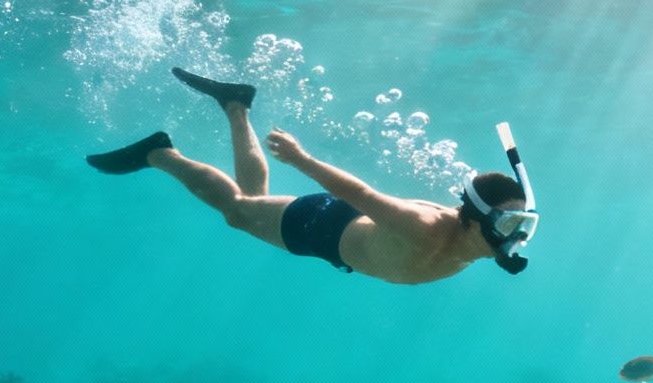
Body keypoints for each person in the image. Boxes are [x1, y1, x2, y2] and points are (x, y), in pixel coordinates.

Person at [86, 68, 538, 284]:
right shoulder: (428, 230)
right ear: (475, 220)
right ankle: (159, 154)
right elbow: (359, 192)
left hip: (338, 240)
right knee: (238, 211)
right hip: (323, 228)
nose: (516, 237)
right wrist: (301, 159)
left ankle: (235, 104)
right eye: (508, 225)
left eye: (523, 226)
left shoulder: (472, 240)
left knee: (251, 197)